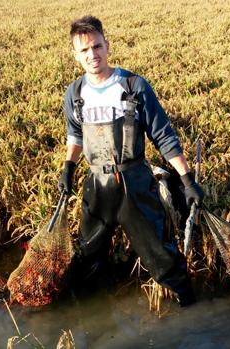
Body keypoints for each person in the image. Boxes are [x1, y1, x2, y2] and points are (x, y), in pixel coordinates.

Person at [58, 15, 204, 306]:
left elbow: (163, 136)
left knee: (161, 254)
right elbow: (74, 135)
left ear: (107, 45)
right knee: (89, 254)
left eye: (97, 46)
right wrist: (68, 169)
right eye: (84, 50)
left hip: (134, 184)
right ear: (76, 55)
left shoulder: (134, 86)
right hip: (96, 186)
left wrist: (187, 181)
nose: (92, 55)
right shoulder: (75, 94)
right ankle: (94, 308)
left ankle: (188, 303)